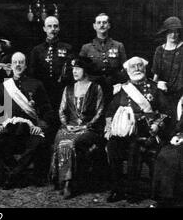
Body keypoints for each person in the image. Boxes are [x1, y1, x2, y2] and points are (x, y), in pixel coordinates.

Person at [105, 56, 169, 203]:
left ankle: (132, 190)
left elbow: (167, 112)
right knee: (112, 145)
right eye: (133, 67)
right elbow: (109, 112)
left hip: (146, 131)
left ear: (145, 68)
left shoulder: (155, 88)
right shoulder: (122, 89)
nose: (137, 69)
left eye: (140, 66)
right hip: (124, 131)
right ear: (127, 71)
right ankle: (117, 189)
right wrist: (108, 129)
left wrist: (157, 124)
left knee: (135, 147)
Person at [0, 52, 54, 189]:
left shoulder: (36, 84)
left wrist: (41, 127)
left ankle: (14, 175)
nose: (18, 65)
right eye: (15, 62)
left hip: (30, 129)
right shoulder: (3, 86)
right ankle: (17, 174)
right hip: (10, 129)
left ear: (25, 65)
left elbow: (47, 110)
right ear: (11, 65)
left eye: (21, 62)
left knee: (39, 143)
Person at [50, 56, 104, 199]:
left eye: (78, 68)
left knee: (74, 143)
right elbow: (61, 110)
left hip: (89, 129)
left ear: (85, 70)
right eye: (73, 69)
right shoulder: (68, 89)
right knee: (62, 141)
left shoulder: (96, 88)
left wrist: (86, 126)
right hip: (69, 126)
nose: (74, 71)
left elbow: (100, 111)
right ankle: (63, 181)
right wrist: (66, 125)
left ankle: (72, 183)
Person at [80, 13, 127, 105]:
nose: (102, 25)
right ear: (94, 26)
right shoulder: (86, 48)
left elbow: (125, 68)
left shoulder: (118, 46)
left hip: (114, 88)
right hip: (93, 88)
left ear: (109, 25)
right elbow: (80, 70)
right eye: (99, 23)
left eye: (104, 22)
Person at [29, 16, 73, 110]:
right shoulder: (37, 50)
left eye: (55, 26)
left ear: (59, 28)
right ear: (44, 29)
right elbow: (32, 73)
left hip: (61, 90)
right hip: (42, 91)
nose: (53, 29)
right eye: (49, 26)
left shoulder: (67, 48)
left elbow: (71, 71)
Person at [152, 94, 183, 208]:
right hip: (176, 139)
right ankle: (163, 198)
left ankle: (172, 199)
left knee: (173, 156)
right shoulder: (174, 101)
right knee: (164, 154)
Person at [151, 16, 183, 124]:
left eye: (176, 32)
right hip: (163, 93)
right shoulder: (160, 50)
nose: (173, 35)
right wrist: (156, 86)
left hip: (180, 93)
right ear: (165, 33)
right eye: (170, 32)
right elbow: (156, 75)